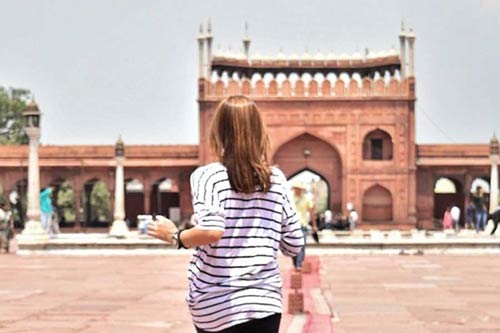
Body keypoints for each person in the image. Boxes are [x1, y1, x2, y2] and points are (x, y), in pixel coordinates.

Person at [147, 96, 304, 333]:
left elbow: (211, 230)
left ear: (218, 133)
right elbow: (294, 244)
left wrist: (175, 236)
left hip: (216, 303)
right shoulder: (277, 180)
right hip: (264, 303)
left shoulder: (208, 176)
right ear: (260, 132)